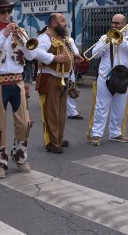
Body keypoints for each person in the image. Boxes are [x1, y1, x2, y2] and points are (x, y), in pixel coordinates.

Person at [0, 0, 36, 179]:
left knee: (24, 123)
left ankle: (19, 155)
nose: (7, 15)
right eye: (3, 11)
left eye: (9, 11)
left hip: (17, 82)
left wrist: (22, 39)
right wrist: (3, 34)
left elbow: (29, 57)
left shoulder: (18, 32)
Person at [87, 14, 128, 146]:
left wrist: (122, 41)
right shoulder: (104, 37)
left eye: (118, 23)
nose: (114, 25)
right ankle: (96, 134)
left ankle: (115, 133)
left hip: (122, 78)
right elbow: (94, 55)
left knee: (119, 107)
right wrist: (105, 42)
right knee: (101, 107)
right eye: (113, 23)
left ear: (124, 24)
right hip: (105, 77)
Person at [34, 13, 80, 153]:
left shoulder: (65, 38)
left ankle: (59, 138)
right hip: (50, 77)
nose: (65, 24)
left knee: (61, 111)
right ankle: (52, 142)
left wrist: (76, 56)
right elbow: (36, 52)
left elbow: (74, 51)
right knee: (51, 111)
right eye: (62, 21)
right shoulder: (44, 37)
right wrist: (54, 58)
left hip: (64, 78)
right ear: (54, 23)